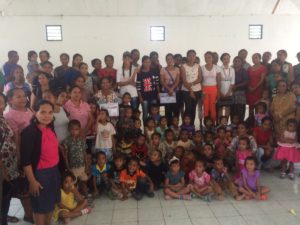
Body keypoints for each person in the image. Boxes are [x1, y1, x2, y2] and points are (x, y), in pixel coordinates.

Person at [21, 100, 61, 225]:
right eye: (42, 112)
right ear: (35, 112)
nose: (47, 116)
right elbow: (25, 161)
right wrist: (32, 182)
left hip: (54, 172)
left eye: (50, 112)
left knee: (50, 204)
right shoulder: (30, 132)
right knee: (40, 208)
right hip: (39, 175)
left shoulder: (50, 127)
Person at [62, 120, 88, 194]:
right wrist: (67, 167)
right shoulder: (67, 141)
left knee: (84, 181)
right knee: (74, 184)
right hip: (72, 167)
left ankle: (85, 196)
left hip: (82, 166)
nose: (74, 131)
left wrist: (87, 165)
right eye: (72, 129)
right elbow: (65, 156)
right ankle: (76, 197)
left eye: (76, 129)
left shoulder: (81, 140)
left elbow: (84, 153)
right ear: (69, 130)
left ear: (79, 130)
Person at [181, 50, 202, 124]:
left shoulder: (198, 66)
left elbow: (200, 78)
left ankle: (192, 125)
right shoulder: (183, 66)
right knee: (188, 108)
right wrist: (191, 91)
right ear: (187, 57)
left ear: (195, 57)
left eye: (193, 55)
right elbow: (184, 80)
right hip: (186, 91)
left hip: (197, 90)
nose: (191, 57)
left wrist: (192, 83)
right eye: (190, 55)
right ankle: (185, 125)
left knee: (193, 108)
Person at [136, 56, 160, 121]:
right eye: (145, 62)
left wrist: (158, 93)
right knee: (145, 113)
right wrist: (140, 97)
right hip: (144, 97)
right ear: (142, 63)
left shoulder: (154, 71)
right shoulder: (139, 73)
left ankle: (154, 128)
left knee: (154, 113)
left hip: (153, 95)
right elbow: (138, 86)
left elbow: (157, 83)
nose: (147, 63)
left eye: (149, 62)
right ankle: (146, 129)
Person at [201, 51, 221, 124]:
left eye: (209, 57)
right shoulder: (202, 68)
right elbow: (201, 80)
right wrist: (201, 92)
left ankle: (213, 124)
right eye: (206, 57)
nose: (207, 59)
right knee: (206, 108)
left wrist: (218, 92)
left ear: (212, 58)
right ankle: (206, 124)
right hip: (204, 89)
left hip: (214, 89)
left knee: (213, 108)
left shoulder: (217, 68)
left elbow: (219, 81)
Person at [160, 53, 180, 122]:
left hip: (175, 91)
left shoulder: (177, 69)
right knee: (168, 109)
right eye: (168, 59)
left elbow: (177, 81)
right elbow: (162, 81)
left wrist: (172, 89)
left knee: (176, 109)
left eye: (171, 59)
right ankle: (168, 126)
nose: (170, 60)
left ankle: (175, 125)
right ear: (166, 60)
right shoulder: (163, 69)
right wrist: (169, 89)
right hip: (166, 91)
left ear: (173, 60)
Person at [217, 53, 235, 119]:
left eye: (228, 58)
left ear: (230, 59)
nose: (226, 60)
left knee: (228, 108)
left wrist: (228, 92)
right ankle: (219, 123)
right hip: (220, 91)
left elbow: (232, 82)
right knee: (220, 108)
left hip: (229, 91)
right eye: (224, 59)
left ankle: (226, 123)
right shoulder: (218, 68)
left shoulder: (232, 69)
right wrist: (220, 92)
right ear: (221, 60)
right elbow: (217, 81)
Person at [231, 56, 248, 121]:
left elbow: (246, 81)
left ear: (241, 63)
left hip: (241, 93)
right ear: (233, 62)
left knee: (240, 110)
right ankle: (233, 126)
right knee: (232, 110)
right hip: (232, 93)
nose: (237, 62)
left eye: (239, 61)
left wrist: (237, 86)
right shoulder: (231, 69)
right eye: (235, 61)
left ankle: (241, 124)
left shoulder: (243, 70)